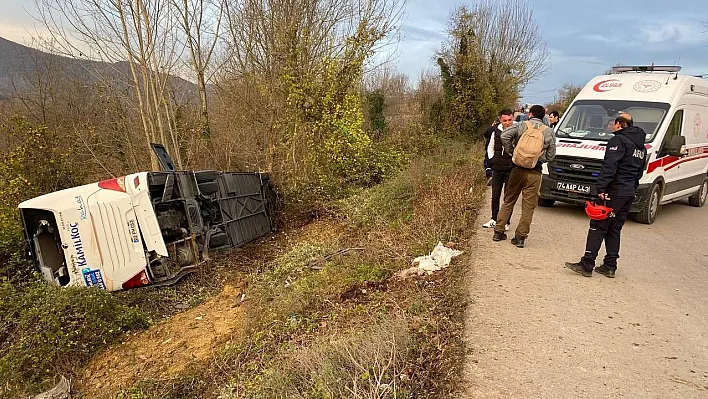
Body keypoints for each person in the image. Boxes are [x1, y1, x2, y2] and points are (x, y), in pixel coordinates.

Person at [565, 113, 646, 277]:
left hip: (614, 191)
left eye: (613, 123)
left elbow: (610, 166)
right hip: (628, 193)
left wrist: (601, 188)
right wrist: (631, 188)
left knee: (597, 226)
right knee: (614, 228)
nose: (611, 126)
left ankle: (587, 264)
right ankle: (610, 266)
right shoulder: (641, 147)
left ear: (620, 124)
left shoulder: (618, 140)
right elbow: (639, 172)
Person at [492, 105, 556, 248]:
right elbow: (551, 155)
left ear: (530, 114)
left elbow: (504, 136)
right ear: (544, 116)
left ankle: (498, 232)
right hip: (535, 172)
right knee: (528, 206)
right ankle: (520, 238)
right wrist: (538, 158)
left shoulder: (521, 125)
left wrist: (513, 152)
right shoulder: (549, 132)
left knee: (509, 201)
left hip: (516, 170)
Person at [482, 109, 515, 230]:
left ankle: (506, 221)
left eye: (509, 120)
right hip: (497, 168)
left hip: (510, 169)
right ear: (501, 119)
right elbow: (490, 147)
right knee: (495, 195)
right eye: (505, 120)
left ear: (513, 118)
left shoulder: (517, 130)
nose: (507, 122)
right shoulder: (495, 131)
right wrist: (492, 160)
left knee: (508, 196)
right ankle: (494, 219)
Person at [483, 118, 500, 186]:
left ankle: (490, 175)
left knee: (487, 161)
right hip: (498, 148)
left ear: (495, 122)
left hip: (489, 147)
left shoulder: (491, 128)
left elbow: (485, 135)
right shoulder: (502, 129)